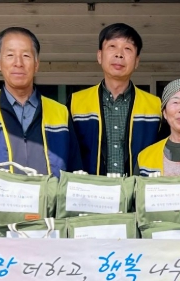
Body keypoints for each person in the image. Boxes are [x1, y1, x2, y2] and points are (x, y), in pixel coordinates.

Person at [0, 27, 82, 176]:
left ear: (36, 64)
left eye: (26, 55)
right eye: (10, 55)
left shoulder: (60, 112)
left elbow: (75, 172)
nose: (18, 63)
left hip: (48, 192)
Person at [70, 23, 161, 176]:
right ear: (99, 56)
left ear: (137, 61)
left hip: (139, 190)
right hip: (90, 189)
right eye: (112, 46)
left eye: (128, 48)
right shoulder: (75, 103)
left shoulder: (155, 106)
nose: (119, 54)